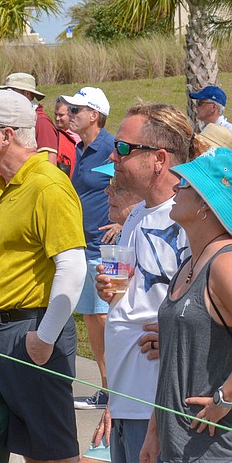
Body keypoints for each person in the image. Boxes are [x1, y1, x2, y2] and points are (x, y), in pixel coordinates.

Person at [0, 89, 87, 463]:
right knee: (30, 449)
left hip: (30, 332)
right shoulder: (8, 184)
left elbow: (73, 265)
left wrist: (44, 339)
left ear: (8, 134)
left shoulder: (46, 184)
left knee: (53, 453)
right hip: (4, 334)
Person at [92, 103, 192, 463]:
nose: (113, 156)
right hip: (125, 397)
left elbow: (211, 302)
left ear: (159, 159)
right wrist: (110, 289)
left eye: (123, 148)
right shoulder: (136, 214)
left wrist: (179, 335)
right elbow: (135, 291)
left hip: (160, 404)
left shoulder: (190, 217)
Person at [140, 148, 232, 462]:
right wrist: (154, 432)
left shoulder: (224, 264)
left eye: (187, 185)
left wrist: (225, 397)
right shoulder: (190, 263)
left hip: (213, 450)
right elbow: (173, 364)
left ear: (207, 205)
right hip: (175, 445)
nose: (176, 187)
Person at [60, 86, 117, 410]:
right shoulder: (80, 148)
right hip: (84, 247)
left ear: (94, 115)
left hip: (106, 248)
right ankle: (108, 388)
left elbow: (133, 186)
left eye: (77, 110)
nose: (70, 115)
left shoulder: (111, 147)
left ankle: (113, 391)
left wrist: (124, 222)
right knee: (94, 319)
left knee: (103, 318)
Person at [0, 72, 59, 165]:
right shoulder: (15, 118)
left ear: (27, 93)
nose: (7, 95)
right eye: (6, 90)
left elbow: (50, 163)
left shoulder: (41, 121)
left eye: (12, 90)